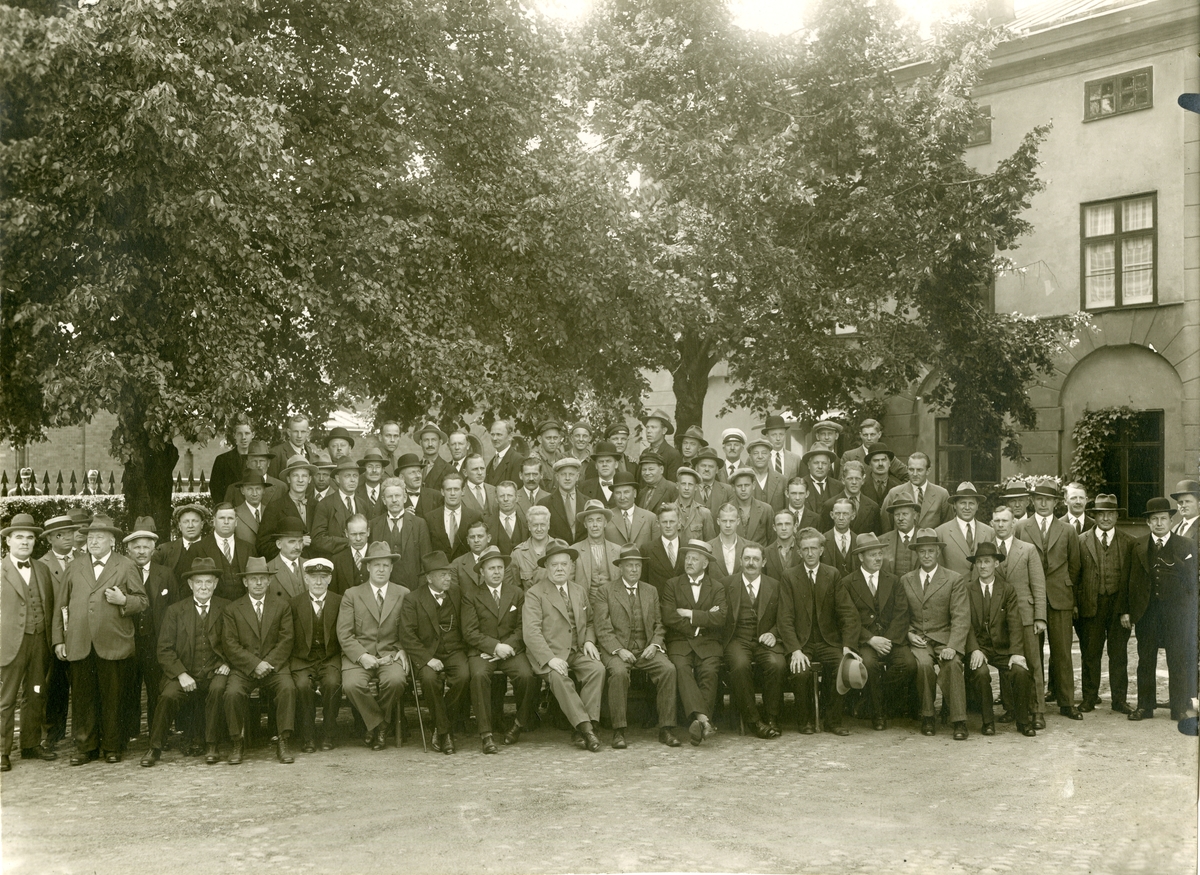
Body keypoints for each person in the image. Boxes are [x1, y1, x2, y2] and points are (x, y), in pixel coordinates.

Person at [54, 514, 147, 764]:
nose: (93, 542)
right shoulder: (74, 566)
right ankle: (86, 747)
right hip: (79, 642)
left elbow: (142, 601)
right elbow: (61, 605)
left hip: (114, 642)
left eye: (99, 537)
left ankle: (112, 746)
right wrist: (59, 639)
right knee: (83, 697)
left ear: (112, 541)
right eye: (91, 537)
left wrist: (124, 600)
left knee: (113, 696)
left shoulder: (126, 565)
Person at [140, 557, 230, 766]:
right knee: (168, 696)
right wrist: (181, 674)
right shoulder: (175, 611)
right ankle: (154, 748)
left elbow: (234, 642)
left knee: (218, 689)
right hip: (184, 672)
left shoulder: (226, 608)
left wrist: (227, 663)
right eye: (198, 582)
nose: (203, 587)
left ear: (215, 584)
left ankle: (212, 745)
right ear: (190, 584)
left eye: (208, 582)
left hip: (215, 670)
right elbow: (164, 649)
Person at [592, 544, 682, 748]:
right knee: (619, 673)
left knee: (668, 670)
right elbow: (602, 627)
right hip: (617, 650)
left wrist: (655, 645)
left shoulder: (651, 591)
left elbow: (660, 624)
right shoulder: (606, 591)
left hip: (646, 649)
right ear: (620, 567)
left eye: (637, 566)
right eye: (629, 565)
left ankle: (666, 728)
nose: (634, 569)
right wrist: (619, 650)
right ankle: (619, 730)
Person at [522, 542, 606, 752]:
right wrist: (550, 659)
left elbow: (590, 621)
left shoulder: (579, 591)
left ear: (571, 566)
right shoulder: (535, 593)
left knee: (597, 669)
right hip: (549, 655)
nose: (559, 569)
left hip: (576, 650)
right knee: (560, 678)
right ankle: (587, 730)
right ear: (546, 567)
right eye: (554, 565)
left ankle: (582, 729)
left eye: (564, 564)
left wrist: (589, 640)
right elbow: (531, 632)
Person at [1123, 497, 1199, 722]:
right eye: (1154, 519)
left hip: (1176, 614)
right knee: (1146, 661)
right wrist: (1125, 611)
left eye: (1163, 519)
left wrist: (1190, 613)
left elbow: (1192, 583)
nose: (1159, 523)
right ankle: (1145, 707)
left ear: (1170, 520)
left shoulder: (1186, 545)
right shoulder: (1136, 545)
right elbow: (1127, 580)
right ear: (1148, 522)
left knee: (1177, 660)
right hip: (1146, 614)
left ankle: (1178, 708)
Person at [460, 546, 538, 752]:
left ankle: (518, 724)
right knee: (478, 676)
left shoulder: (517, 593)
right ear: (482, 571)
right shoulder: (471, 595)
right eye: (491, 568)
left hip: (511, 650)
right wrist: (495, 647)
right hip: (482, 650)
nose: (496, 572)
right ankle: (486, 734)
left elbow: (522, 627)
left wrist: (507, 647)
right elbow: (469, 632)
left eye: (500, 568)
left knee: (527, 676)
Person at [1016, 481, 1082, 720]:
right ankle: (1035, 703)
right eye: (1038, 498)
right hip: (1031, 599)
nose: (1043, 503)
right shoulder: (1021, 527)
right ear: (1032, 501)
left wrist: (1064, 586)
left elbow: (1075, 565)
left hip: (1059, 598)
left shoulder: (1068, 530)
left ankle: (1067, 702)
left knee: (1062, 651)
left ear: (1056, 503)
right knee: (1032, 653)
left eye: (1048, 499)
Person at [835, 532, 914, 731]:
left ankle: (874, 702)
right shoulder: (847, 583)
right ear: (861, 557)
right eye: (872, 555)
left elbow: (901, 613)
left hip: (891, 639)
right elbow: (847, 618)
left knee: (908, 664)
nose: (878, 559)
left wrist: (887, 640)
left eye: (880, 554)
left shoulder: (894, 580)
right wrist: (870, 639)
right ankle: (878, 715)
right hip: (865, 640)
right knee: (869, 665)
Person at [222, 556, 296, 764]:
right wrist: (255, 664)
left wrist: (268, 664)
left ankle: (283, 740)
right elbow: (230, 644)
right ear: (245, 581)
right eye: (253, 579)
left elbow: (287, 639)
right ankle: (237, 741)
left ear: (269, 581)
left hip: (274, 666)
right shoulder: (232, 609)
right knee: (232, 693)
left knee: (287, 688)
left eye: (263, 578)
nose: (258, 583)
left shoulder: (282, 606)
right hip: (245, 668)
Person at [337, 542, 409, 750]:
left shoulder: (403, 593)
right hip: (359, 655)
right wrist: (362, 656)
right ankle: (379, 724)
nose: (381, 569)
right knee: (352, 685)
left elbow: (410, 629)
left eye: (386, 565)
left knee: (395, 681)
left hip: (391, 654)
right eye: (376, 565)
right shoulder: (352, 594)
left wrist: (403, 649)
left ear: (392, 568)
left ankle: (375, 727)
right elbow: (344, 633)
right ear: (368, 567)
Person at [900, 529, 969, 740]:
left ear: (938, 552)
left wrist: (953, 646)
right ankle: (927, 716)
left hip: (944, 637)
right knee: (923, 665)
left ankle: (959, 720)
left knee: (953, 664)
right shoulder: (906, 580)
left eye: (931, 551)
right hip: (918, 638)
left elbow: (961, 616)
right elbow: (900, 614)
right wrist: (908, 634)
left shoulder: (953, 579)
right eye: (922, 551)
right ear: (917, 554)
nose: (927, 555)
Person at [779, 528, 848, 735]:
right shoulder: (789, 576)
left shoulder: (832, 574)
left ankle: (833, 720)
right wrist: (795, 650)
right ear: (799, 552)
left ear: (821, 550)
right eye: (805, 549)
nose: (810, 553)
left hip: (828, 641)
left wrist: (847, 646)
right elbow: (784, 618)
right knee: (800, 671)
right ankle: (804, 719)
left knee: (841, 666)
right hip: (802, 642)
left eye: (814, 548)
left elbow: (846, 612)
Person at [400, 551, 470, 755]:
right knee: (430, 680)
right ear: (429, 578)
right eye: (442, 575)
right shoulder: (413, 599)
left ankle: (439, 725)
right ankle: (446, 733)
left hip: (454, 650)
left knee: (464, 676)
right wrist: (428, 659)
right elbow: (407, 635)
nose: (448, 578)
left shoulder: (456, 592)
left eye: (449, 574)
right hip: (427, 652)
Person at [1, 514, 56, 770]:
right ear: (8, 541)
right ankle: (2, 751)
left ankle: (31, 744)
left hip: (39, 640)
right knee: (6, 699)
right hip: (8, 643)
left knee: (35, 693)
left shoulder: (42, 569)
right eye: (19, 537)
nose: (25, 542)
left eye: (30, 538)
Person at [964, 542, 1036, 737]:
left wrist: (1016, 653)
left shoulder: (1007, 589)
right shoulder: (967, 589)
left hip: (1003, 648)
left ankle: (1023, 721)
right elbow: (965, 624)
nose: (983, 566)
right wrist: (974, 649)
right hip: (981, 648)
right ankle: (987, 722)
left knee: (1021, 671)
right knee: (980, 673)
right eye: (979, 562)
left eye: (987, 561)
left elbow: (1015, 624)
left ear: (996, 564)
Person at [661, 539, 726, 745]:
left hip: (708, 643)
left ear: (705, 563)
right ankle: (704, 721)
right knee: (681, 668)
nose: (689, 562)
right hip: (680, 641)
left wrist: (690, 613)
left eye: (694, 559)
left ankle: (699, 725)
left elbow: (720, 617)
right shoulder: (672, 584)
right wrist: (700, 622)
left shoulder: (717, 587)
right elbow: (669, 616)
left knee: (710, 671)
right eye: (687, 558)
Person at [1074, 494, 1134, 714]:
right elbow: (1074, 575)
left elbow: (1131, 580)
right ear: (1095, 516)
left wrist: (1127, 610)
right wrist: (1075, 604)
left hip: (1119, 607)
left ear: (1117, 516)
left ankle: (1119, 700)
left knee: (1118, 655)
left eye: (1110, 513)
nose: (1106, 518)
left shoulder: (1128, 542)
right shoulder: (1081, 540)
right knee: (1090, 654)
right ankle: (1089, 698)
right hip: (1091, 605)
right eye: (1101, 514)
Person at [991, 506, 1048, 728]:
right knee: (1006, 664)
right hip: (1000, 618)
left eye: (1005, 521)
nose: (1001, 525)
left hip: (1026, 616)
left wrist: (1040, 617)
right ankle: (1011, 707)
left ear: (1013, 523)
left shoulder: (1028, 549)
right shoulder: (987, 551)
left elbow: (1038, 585)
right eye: (997, 521)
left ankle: (1037, 710)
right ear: (992, 523)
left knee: (1032, 663)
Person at [722, 542, 785, 738]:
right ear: (740, 561)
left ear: (763, 562)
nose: (751, 563)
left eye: (756, 559)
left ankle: (772, 717)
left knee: (777, 664)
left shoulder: (775, 585)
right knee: (740, 666)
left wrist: (773, 633)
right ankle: (754, 721)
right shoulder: (726, 584)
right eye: (747, 558)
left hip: (764, 641)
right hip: (737, 639)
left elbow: (784, 617)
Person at [121, 516, 174, 743]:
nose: (141, 551)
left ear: (153, 549)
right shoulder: (121, 572)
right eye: (136, 547)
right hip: (129, 639)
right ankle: (129, 732)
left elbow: (174, 609)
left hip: (155, 641)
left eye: (146, 547)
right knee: (129, 687)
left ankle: (157, 733)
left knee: (156, 688)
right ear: (129, 550)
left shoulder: (166, 573)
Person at [290, 558, 343, 753]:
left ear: (330, 579)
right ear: (306, 579)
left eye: (323, 577)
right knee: (303, 685)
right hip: (303, 659)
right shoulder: (294, 603)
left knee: (332, 683)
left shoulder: (339, 601)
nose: (318, 582)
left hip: (329, 657)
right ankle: (308, 735)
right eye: (314, 577)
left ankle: (329, 732)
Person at [37, 513, 80, 751]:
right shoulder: (41, 565)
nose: (67, 538)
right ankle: (52, 734)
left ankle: (84, 734)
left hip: (82, 632)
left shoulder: (84, 559)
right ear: (50, 539)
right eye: (60, 535)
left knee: (83, 684)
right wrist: (56, 639)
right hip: (54, 635)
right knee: (54, 685)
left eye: (70, 533)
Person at [367, 480, 432, 590]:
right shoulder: (374, 525)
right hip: (384, 588)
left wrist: (420, 589)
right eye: (389, 496)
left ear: (405, 498)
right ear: (383, 500)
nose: (394, 500)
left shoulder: (419, 524)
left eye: (397, 495)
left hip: (413, 588)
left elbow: (426, 560)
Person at [257, 455, 319, 560]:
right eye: (295, 475)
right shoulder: (275, 507)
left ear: (309, 479)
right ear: (288, 479)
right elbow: (263, 546)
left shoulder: (317, 505)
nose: (300, 480)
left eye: (304, 476)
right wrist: (297, 544)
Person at [935, 482, 994, 577]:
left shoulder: (989, 532)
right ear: (954, 505)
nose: (967, 507)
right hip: (953, 586)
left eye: (971, 503)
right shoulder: (940, 532)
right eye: (963, 503)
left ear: (977, 506)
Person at [881, 453, 952, 533]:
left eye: (919, 470)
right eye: (911, 469)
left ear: (928, 471)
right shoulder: (894, 493)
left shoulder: (941, 494)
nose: (914, 474)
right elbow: (886, 527)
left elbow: (948, 527)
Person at [199, 503, 253, 602]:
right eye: (222, 518)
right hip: (213, 606)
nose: (226, 522)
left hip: (243, 606)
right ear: (214, 521)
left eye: (230, 518)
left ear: (236, 522)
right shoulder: (198, 548)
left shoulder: (248, 548)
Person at [425, 470, 480, 559]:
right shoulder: (430, 518)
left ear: (463, 491)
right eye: (448, 489)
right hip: (440, 566)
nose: (452, 493)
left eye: (456, 489)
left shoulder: (475, 517)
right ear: (442, 492)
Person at [311, 459, 361, 557]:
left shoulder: (362, 504)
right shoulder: (325, 504)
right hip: (334, 560)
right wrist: (347, 542)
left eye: (355, 476)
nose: (352, 480)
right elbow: (317, 539)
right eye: (347, 476)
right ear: (338, 479)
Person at [571, 500, 622, 593]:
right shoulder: (574, 550)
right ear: (585, 524)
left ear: (605, 523)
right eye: (590, 521)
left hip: (612, 600)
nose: (595, 525)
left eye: (599, 520)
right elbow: (569, 584)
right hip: (585, 600)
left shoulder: (618, 550)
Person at [154, 502, 209, 586]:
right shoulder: (164, 550)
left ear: (201, 524)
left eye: (194, 521)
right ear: (180, 526)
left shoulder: (212, 548)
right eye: (186, 522)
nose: (190, 526)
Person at [605, 471, 658, 554]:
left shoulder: (650, 518)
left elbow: (656, 549)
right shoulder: (607, 517)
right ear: (613, 495)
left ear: (635, 493)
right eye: (618, 493)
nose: (622, 497)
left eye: (626, 492)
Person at [824, 461, 881, 535]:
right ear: (843, 480)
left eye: (857, 479)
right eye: (850, 478)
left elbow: (877, 536)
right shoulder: (830, 505)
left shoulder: (873, 507)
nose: (854, 482)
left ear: (863, 481)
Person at [223, 441, 286, 507]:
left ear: (268, 463)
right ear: (247, 463)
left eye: (262, 461)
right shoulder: (233, 490)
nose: (258, 465)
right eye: (254, 461)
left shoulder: (281, 488)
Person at [841, 420, 908, 481]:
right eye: (865, 435)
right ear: (860, 435)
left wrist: (897, 489)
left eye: (872, 435)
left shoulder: (886, 456)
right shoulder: (849, 456)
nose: (869, 438)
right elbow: (842, 481)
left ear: (879, 434)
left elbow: (908, 475)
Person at [539, 457, 583, 544]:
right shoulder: (545, 504)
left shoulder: (586, 502)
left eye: (571, 474)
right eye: (563, 474)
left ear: (577, 476)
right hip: (556, 550)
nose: (567, 478)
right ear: (557, 477)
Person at [210, 418, 254, 504]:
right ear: (234, 435)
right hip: (230, 507)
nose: (243, 437)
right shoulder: (222, 460)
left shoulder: (259, 460)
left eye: (247, 433)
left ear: (253, 435)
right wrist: (225, 507)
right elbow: (215, 488)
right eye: (239, 434)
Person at [511, 506, 553, 591]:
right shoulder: (518, 554)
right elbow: (515, 590)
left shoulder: (560, 548)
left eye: (542, 525)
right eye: (535, 525)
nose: (539, 529)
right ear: (529, 527)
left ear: (548, 526)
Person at [877, 497, 920, 579]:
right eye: (897, 515)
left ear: (914, 515)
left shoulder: (924, 538)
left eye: (905, 514)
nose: (900, 518)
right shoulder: (881, 541)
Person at [646, 505, 686, 593]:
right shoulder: (647, 549)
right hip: (658, 600)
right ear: (658, 523)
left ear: (679, 523)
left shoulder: (688, 547)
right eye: (664, 522)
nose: (668, 526)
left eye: (672, 522)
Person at [729, 467, 773, 546]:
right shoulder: (726, 510)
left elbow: (772, 540)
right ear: (733, 487)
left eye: (747, 485)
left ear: (753, 485)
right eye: (739, 486)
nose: (743, 489)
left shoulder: (766, 509)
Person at [672, 467, 716, 543]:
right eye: (683, 484)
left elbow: (710, 543)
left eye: (690, 484)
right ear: (677, 485)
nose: (686, 488)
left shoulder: (704, 513)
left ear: (696, 487)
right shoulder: (669, 511)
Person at [267, 521, 308, 600]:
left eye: (300, 541)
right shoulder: (268, 569)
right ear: (279, 544)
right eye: (292, 542)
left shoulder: (310, 565)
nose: (298, 547)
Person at [332, 514, 372, 595]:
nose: (358, 539)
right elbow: (334, 594)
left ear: (368, 532)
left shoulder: (378, 555)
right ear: (346, 533)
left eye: (362, 533)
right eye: (353, 534)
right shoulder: (337, 560)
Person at [709, 503, 750, 581]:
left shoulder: (749, 547)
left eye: (732, 521)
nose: (728, 525)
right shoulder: (708, 547)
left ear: (738, 521)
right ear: (718, 521)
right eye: (724, 521)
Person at [745, 438, 786, 513]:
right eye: (756, 453)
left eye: (764, 453)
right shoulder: (744, 478)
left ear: (770, 456)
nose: (760, 456)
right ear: (750, 457)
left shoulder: (782, 480)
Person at [860, 443, 906, 510]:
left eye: (884, 460)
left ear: (889, 463)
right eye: (876, 460)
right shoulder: (861, 486)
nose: (880, 464)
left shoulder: (898, 487)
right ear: (870, 464)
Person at [822, 498, 860, 579]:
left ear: (853, 516)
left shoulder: (858, 541)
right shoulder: (823, 540)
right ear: (832, 515)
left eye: (845, 514)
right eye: (837, 513)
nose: (841, 518)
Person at [640, 409, 682, 482]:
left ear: (664, 430)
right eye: (647, 427)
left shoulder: (673, 454)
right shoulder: (645, 452)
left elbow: (673, 485)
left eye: (653, 427)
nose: (648, 431)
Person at [800, 444, 843, 516]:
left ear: (829, 466)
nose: (820, 467)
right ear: (809, 465)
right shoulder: (800, 486)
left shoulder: (839, 487)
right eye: (816, 463)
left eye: (824, 463)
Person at [693, 447, 735, 516]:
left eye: (711, 466)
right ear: (696, 468)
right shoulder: (688, 488)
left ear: (717, 470)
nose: (707, 469)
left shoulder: (728, 490)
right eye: (703, 466)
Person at [763, 509, 803, 583]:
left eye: (787, 524)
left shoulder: (803, 550)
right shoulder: (766, 552)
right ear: (774, 527)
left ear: (795, 526)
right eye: (779, 524)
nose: (783, 528)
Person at [760, 414, 802, 481]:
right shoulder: (758, 458)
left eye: (781, 434)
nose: (778, 438)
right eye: (774, 435)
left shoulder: (796, 459)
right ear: (767, 436)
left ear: (785, 435)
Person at [580, 440, 622, 506]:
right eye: (601, 461)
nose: (604, 464)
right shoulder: (584, 487)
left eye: (608, 461)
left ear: (616, 464)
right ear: (596, 465)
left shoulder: (625, 486)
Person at [486, 419, 525, 486]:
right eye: (492, 434)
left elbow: (516, 489)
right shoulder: (492, 462)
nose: (494, 438)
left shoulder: (518, 460)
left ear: (510, 436)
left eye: (499, 434)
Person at [233, 471, 269, 545]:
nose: (254, 493)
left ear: (264, 490)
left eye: (258, 489)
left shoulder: (270, 512)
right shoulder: (235, 514)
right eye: (249, 489)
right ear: (242, 491)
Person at [492, 482, 528, 555]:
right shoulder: (488, 523)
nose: (506, 499)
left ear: (517, 498)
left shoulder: (526, 522)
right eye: (502, 496)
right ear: (496, 499)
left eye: (509, 495)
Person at [355, 448, 389, 521]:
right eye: (370, 466)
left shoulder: (389, 491)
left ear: (383, 471)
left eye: (378, 467)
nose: (374, 470)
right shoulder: (355, 493)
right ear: (364, 470)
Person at [532, 419, 566, 492]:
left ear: (559, 439)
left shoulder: (563, 460)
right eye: (548, 438)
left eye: (555, 438)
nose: (552, 441)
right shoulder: (534, 462)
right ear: (540, 439)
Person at [460, 454, 497, 520]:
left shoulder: (494, 490)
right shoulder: (459, 493)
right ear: (465, 472)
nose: (480, 473)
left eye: (482, 468)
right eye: (475, 469)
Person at [416, 422, 451, 491]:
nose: (430, 444)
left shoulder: (449, 470)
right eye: (426, 440)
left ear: (440, 442)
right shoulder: (414, 467)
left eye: (433, 440)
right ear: (420, 443)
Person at [1171, 479, 1200, 545]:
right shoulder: (1175, 528)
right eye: (1180, 502)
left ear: (1198, 504)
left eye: (1188, 501)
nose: (1183, 505)